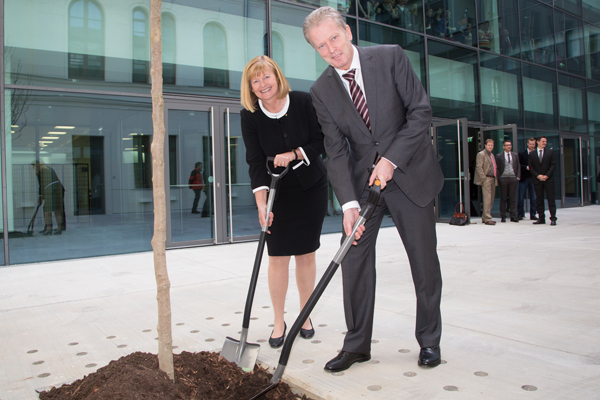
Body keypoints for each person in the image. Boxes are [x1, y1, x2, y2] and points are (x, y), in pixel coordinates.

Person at [303, 6, 444, 372]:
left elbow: (420, 112)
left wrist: (391, 159)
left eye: (333, 38)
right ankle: (357, 345)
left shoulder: (390, 57)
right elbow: (335, 151)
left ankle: (429, 341)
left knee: (423, 262)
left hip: (409, 173)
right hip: (366, 185)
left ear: (347, 32)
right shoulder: (321, 91)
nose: (331, 49)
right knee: (353, 254)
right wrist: (349, 204)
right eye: (321, 46)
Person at [239, 55, 328, 348]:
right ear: (250, 87)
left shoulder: (303, 101)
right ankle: (279, 320)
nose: (262, 84)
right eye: (255, 80)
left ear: (277, 76)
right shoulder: (249, 115)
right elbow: (254, 161)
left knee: (306, 254)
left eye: (266, 77)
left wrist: (294, 153)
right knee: (277, 257)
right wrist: (262, 205)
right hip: (276, 193)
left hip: (310, 188)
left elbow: (320, 142)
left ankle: (305, 314)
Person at [529, 136, 557, 225]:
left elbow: (553, 165)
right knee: (539, 200)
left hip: (548, 180)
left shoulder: (550, 152)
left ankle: (553, 218)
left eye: (546, 141)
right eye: (543, 141)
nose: (545, 143)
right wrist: (538, 176)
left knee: (551, 199)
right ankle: (541, 218)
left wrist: (546, 176)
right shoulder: (532, 154)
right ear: (538, 142)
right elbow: (531, 167)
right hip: (537, 180)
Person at [32, 161, 66, 235]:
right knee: (56, 209)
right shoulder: (48, 169)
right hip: (56, 191)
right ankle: (57, 228)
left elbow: (43, 185)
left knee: (48, 210)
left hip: (52, 192)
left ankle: (49, 228)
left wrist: (41, 197)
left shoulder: (42, 172)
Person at [495, 139, 520, 223]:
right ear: (503, 146)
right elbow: (497, 168)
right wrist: (500, 178)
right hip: (504, 178)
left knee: (513, 198)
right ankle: (503, 216)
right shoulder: (499, 156)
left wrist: (518, 177)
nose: (509, 146)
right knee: (503, 198)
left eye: (510, 145)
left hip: (513, 178)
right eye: (507, 145)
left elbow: (518, 166)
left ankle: (513, 216)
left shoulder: (515, 155)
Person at [474, 139, 498, 225]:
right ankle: (487, 218)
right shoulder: (481, 154)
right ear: (485, 145)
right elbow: (479, 167)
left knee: (491, 199)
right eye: (489, 145)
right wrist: (483, 178)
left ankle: (485, 217)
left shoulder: (492, 155)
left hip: (493, 179)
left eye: (492, 145)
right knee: (487, 199)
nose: (490, 146)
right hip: (486, 179)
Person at [518, 137, 538, 220]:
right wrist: (526, 167)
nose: (532, 145)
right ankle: (520, 214)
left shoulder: (537, 154)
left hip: (534, 178)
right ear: (527, 144)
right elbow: (518, 165)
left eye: (533, 144)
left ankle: (533, 214)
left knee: (534, 197)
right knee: (521, 197)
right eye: (530, 144)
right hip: (524, 178)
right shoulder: (522, 154)